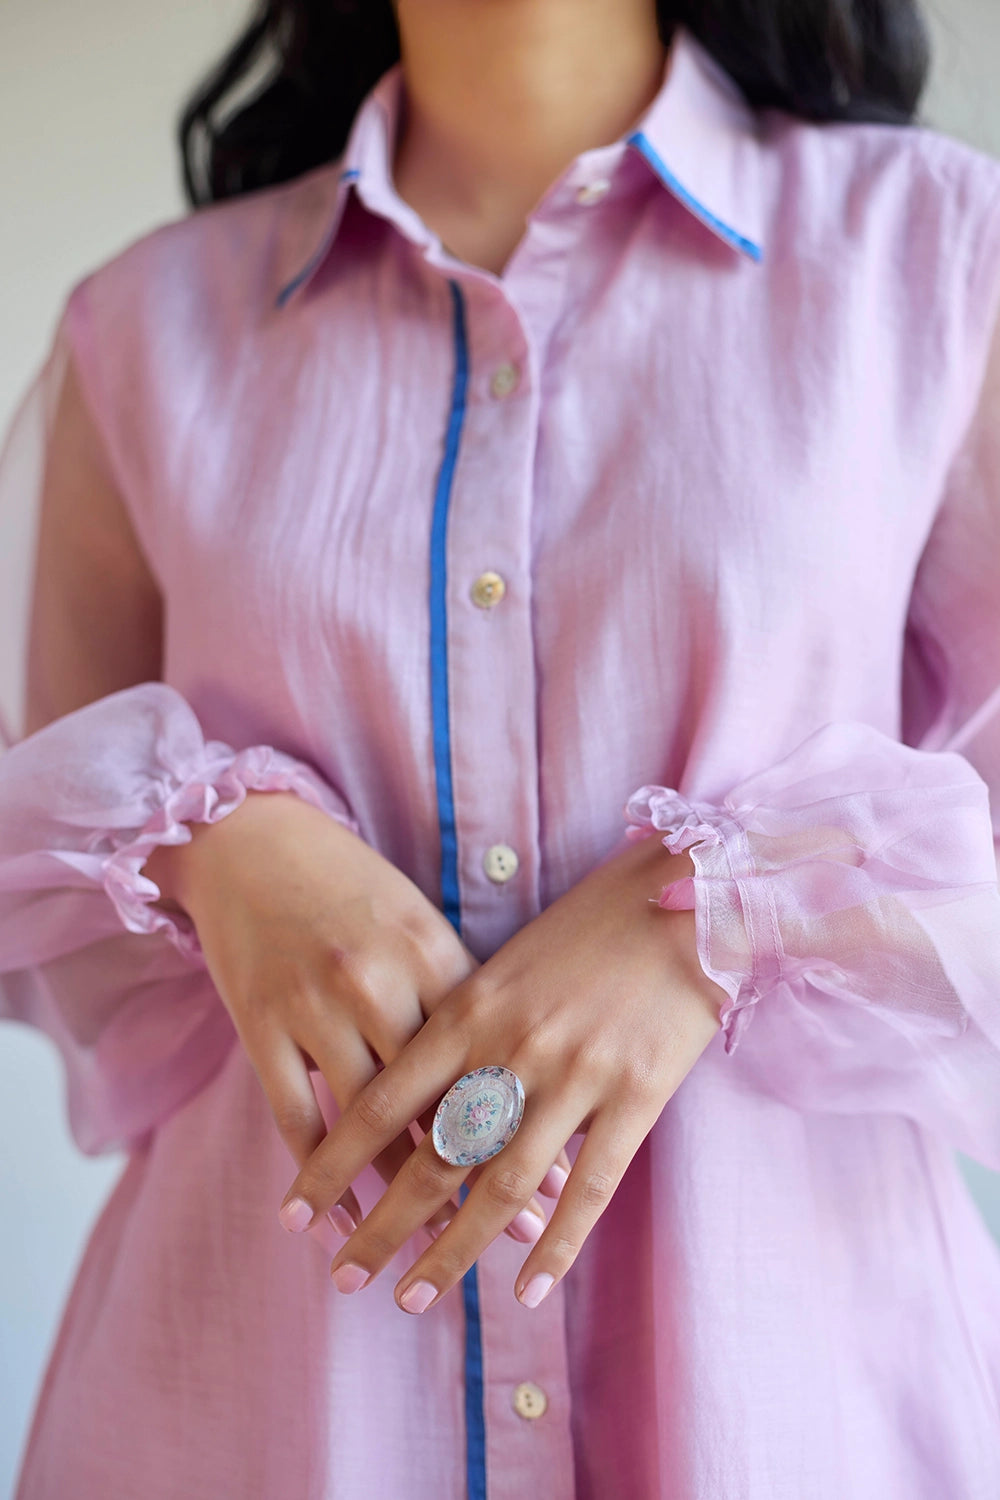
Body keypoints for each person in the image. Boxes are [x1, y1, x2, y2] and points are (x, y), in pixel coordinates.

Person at [3, 0, 1000, 1494]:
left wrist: (720, 917)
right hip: (261, 1411)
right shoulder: (143, 329)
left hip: (794, 1396)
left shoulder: (937, 252)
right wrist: (213, 846)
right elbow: (43, 876)